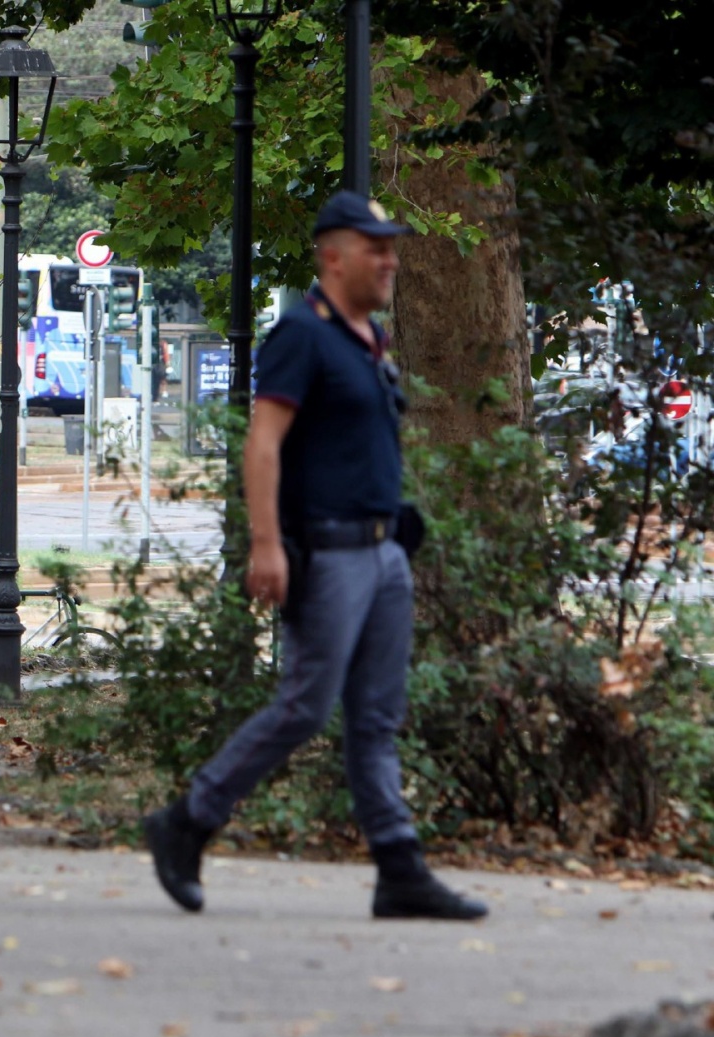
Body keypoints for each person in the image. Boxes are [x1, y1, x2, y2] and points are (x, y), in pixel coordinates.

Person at [141, 191, 487, 922]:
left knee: (376, 717)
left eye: (392, 246)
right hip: (327, 555)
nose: (390, 259)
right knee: (304, 707)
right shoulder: (301, 333)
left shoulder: (367, 338)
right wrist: (267, 544)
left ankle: (399, 869)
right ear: (334, 256)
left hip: (385, 552)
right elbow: (263, 442)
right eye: (376, 247)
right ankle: (188, 820)